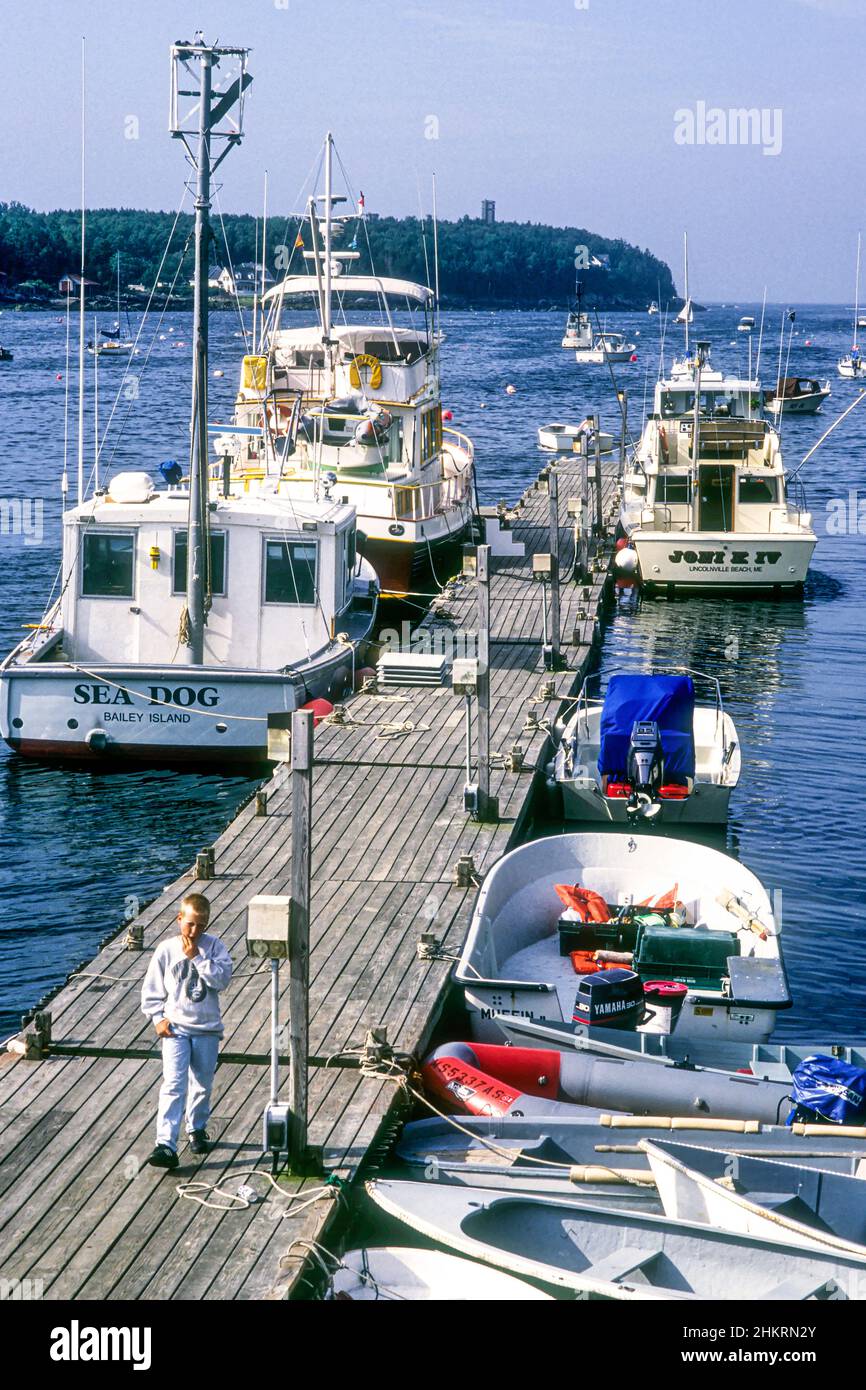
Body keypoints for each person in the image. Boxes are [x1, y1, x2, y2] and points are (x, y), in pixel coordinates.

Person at [140, 892, 233, 1170]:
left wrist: (198, 959)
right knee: (173, 1083)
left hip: (206, 1029)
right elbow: (152, 990)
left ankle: (196, 1128)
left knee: (202, 1083)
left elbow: (222, 980)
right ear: (179, 919)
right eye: (190, 924)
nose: (194, 931)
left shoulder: (214, 948)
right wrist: (157, 1017)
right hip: (176, 1029)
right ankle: (165, 1143)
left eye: (201, 925)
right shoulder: (166, 950)